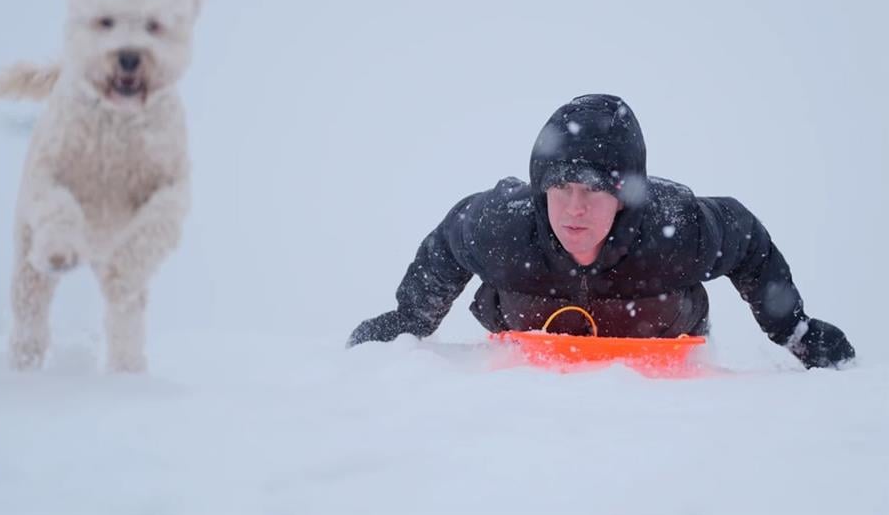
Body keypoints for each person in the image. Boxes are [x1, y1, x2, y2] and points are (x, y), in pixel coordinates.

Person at [347, 94, 855, 369]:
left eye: (594, 191)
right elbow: (446, 246)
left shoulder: (675, 230)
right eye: (561, 187)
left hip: (657, 364)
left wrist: (795, 331)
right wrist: (410, 319)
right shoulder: (502, 225)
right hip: (526, 364)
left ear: (626, 197)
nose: (573, 208)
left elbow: (747, 241)